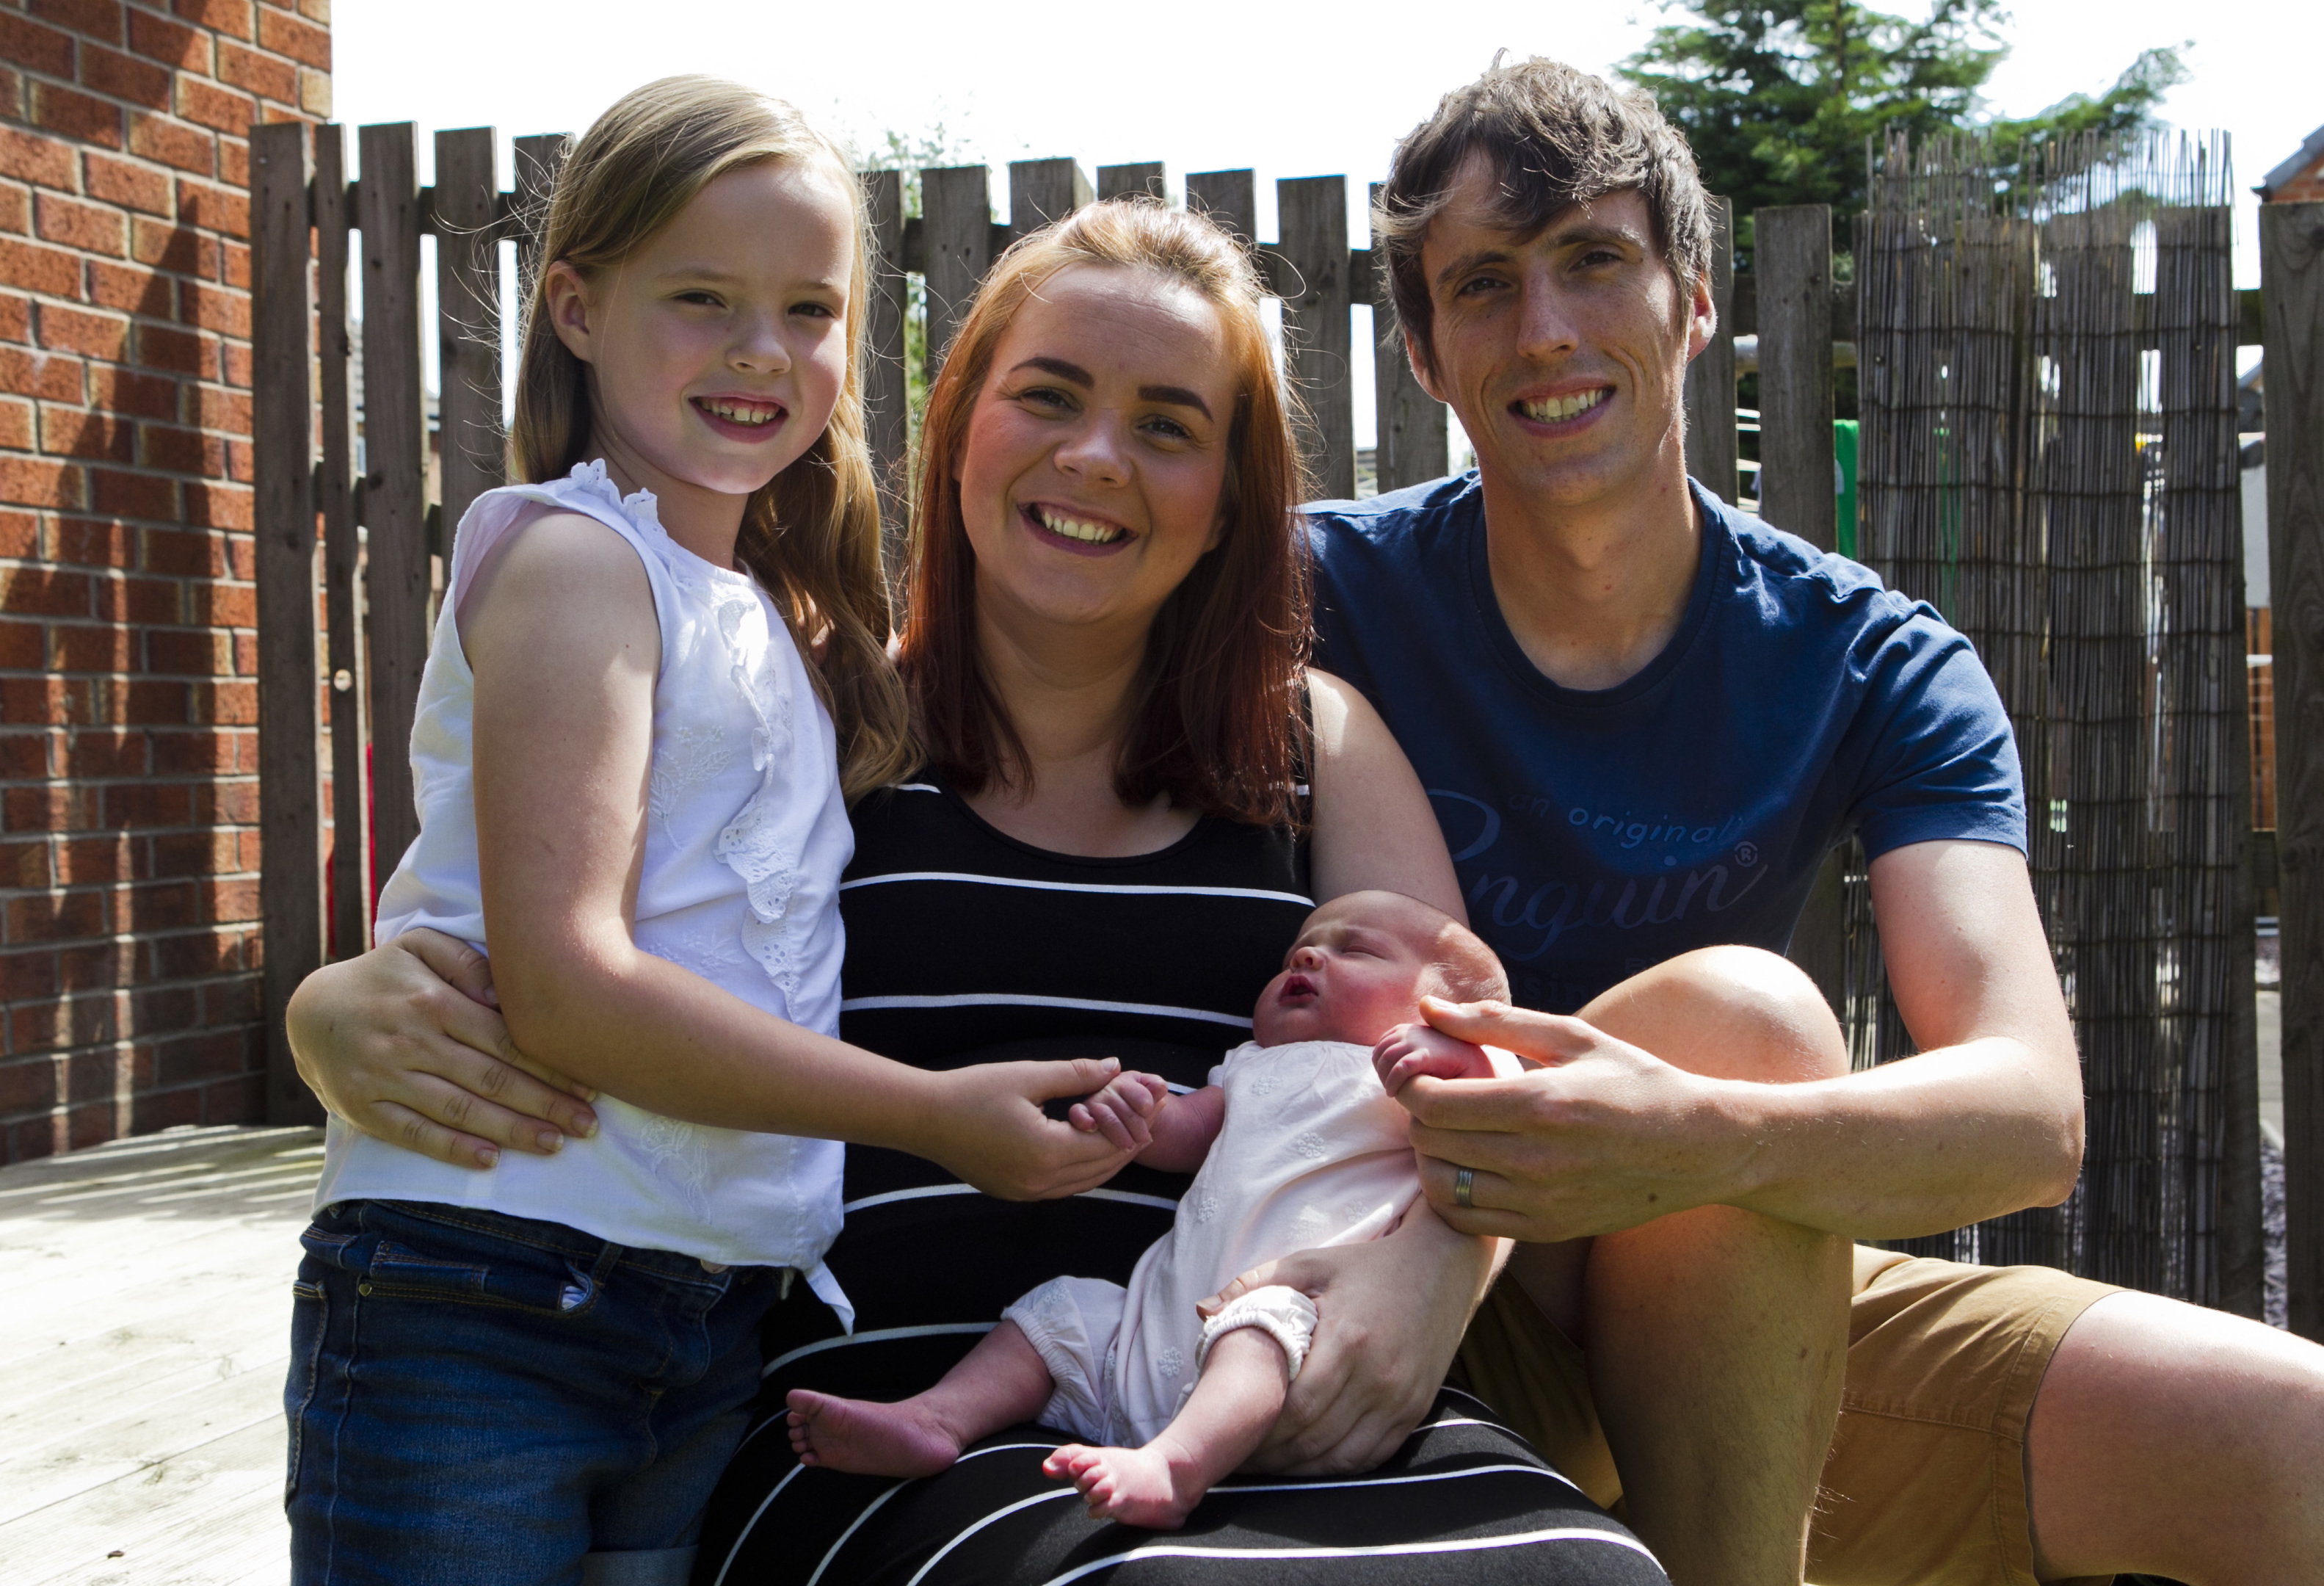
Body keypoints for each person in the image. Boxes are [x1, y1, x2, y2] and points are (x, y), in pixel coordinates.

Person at [287, 200, 1680, 1585]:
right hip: (893, 1418)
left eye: (1168, 426)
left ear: (1227, 506)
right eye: (1049, 397)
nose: (1095, 457)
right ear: (957, 432)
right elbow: (554, 933)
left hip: (1260, 1377)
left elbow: (1475, 1075)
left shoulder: (1315, 744)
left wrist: (1432, 1262)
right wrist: (325, 1011)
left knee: (1583, 1575)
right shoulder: (807, 709)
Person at [1284, 54, 2324, 1586]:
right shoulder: (1311, 604)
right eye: (1484, 284)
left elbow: (2028, 1114)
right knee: (1744, 1015)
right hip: (1384, 1304)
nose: (1546, 329)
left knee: (2288, 1448)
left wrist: (1686, 1137)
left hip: (1724, 1309)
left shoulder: (1868, 659)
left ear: (1692, 300)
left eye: (1592, 261)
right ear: (1426, 355)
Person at [282, 79, 1145, 1586]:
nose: (760, 352)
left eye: (809, 310)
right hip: (485, 1283)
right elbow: (566, 982)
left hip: (700, 1308)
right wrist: (935, 1114)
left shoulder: (785, 619)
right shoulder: (576, 564)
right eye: (700, 298)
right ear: (574, 306)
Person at [782, 892, 1534, 1534]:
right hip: (1153, 1343)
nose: (1305, 960)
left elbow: (1508, 1108)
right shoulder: (1247, 1065)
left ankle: (1176, 1470)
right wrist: (1135, 1114)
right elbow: (1180, 1136)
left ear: (1452, 1010)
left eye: (1355, 951)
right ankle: (936, 1419)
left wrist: (1457, 1056)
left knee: (1260, 1321)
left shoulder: (1426, 1073)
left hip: (1307, 1338)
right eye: (1298, 951)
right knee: (1060, 1312)